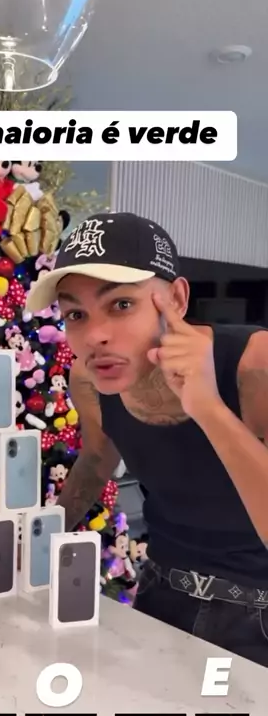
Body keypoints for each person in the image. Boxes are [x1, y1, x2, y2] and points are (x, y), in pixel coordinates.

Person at [26, 211, 268, 667]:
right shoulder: (89, 379)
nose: (95, 336)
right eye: (76, 314)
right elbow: (97, 459)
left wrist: (209, 407)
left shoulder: (255, 366)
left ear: (176, 298)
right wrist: (35, 543)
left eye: (121, 304)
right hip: (160, 596)